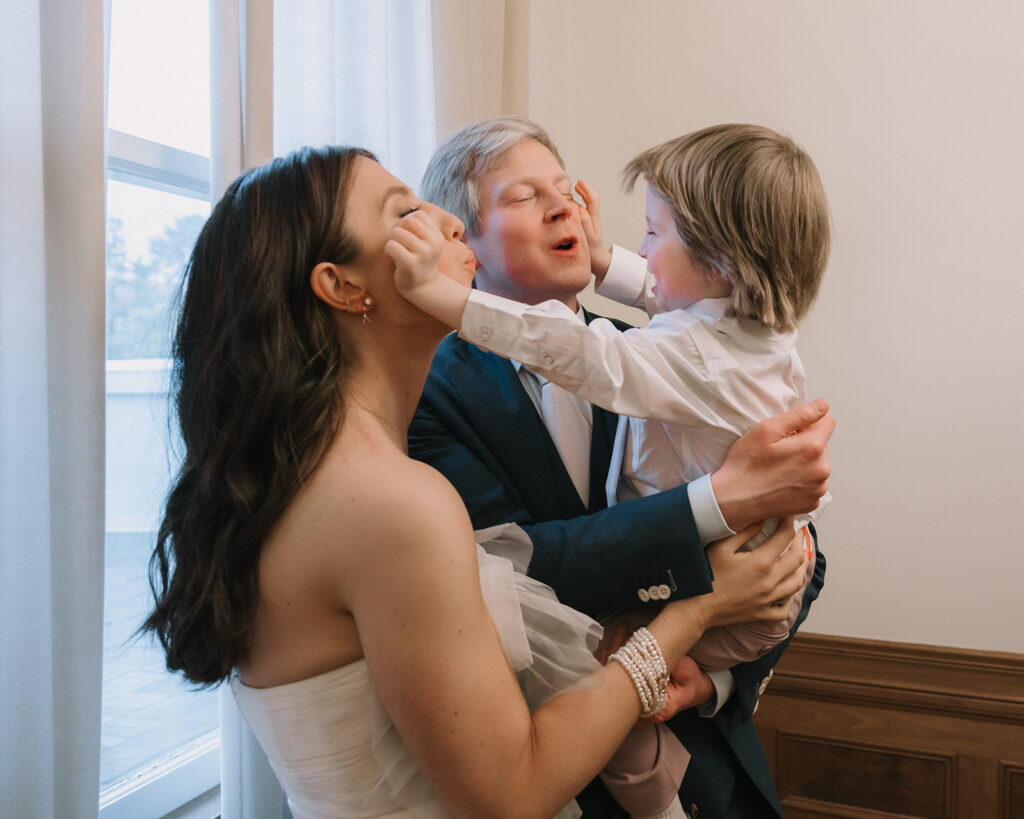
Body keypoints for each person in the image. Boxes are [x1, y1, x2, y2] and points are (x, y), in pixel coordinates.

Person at [142, 145, 809, 819]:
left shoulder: (316, 479)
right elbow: (512, 789)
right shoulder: (391, 498)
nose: (449, 226)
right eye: (406, 212)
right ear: (342, 286)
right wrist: (699, 607)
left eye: (564, 187)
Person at [409, 117, 832, 818]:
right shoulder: (429, 396)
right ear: (462, 241)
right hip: (556, 777)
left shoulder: (658, 355)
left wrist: (714, 681)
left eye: (565, 187)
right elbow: (504, 571)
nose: (562, 205)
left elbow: (803, 561)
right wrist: (716, 506)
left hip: (719, 776)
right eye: (521, 196)